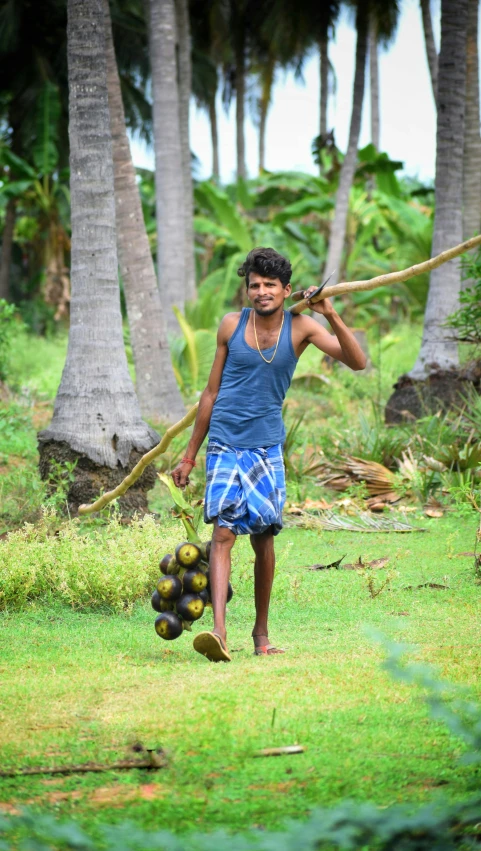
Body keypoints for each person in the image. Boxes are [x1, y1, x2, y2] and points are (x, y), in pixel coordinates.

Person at [171, 247, 366, 662]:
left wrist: (330, 313)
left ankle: (261, 635)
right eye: (254, 285)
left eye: (270, 286)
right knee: (223, 534)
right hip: (224, 442)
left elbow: (358, 362)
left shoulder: (302, 328)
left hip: (265, 447)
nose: (261, 292)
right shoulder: (230, 325)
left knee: (263, 539)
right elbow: (210, 394)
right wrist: (189, 456)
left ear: (286, 290)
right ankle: (219, 632)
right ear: (247, 291)